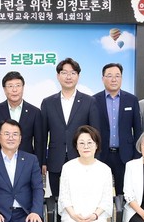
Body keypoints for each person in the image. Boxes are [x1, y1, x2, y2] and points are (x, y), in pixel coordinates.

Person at [0, 71, 44, 222]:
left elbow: (40, 140)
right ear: (4, 89)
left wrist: (41, 163)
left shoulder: (34, 111)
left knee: (25, 201)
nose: (14, 89)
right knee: (5, 201)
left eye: (17, 85)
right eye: (10, 86)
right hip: (3, 163)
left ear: (23, 87)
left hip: (27, 165)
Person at [41, 58, 100, 198]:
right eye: (64, 73)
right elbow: (42, 135)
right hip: (55, 160)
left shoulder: (89, 101)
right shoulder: (48, 103)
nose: (68, 77)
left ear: (78, 76)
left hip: (82, 158)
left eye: (73, 73)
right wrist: (43, 161)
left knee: (81, 197)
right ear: (58, 76)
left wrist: (95, 159)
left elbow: (95, 134)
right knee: (57, 198)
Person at [92, 63, 141, 196]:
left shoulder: (131, 100)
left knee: (125, 194)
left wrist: (136, 156)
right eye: (109, 76)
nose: (114, 79)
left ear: (121, 78)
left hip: (125, 156)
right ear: (103, 79)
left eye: (117, 76)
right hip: (101, 155)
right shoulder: (93, 100)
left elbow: (138, 130)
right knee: (101, 193)